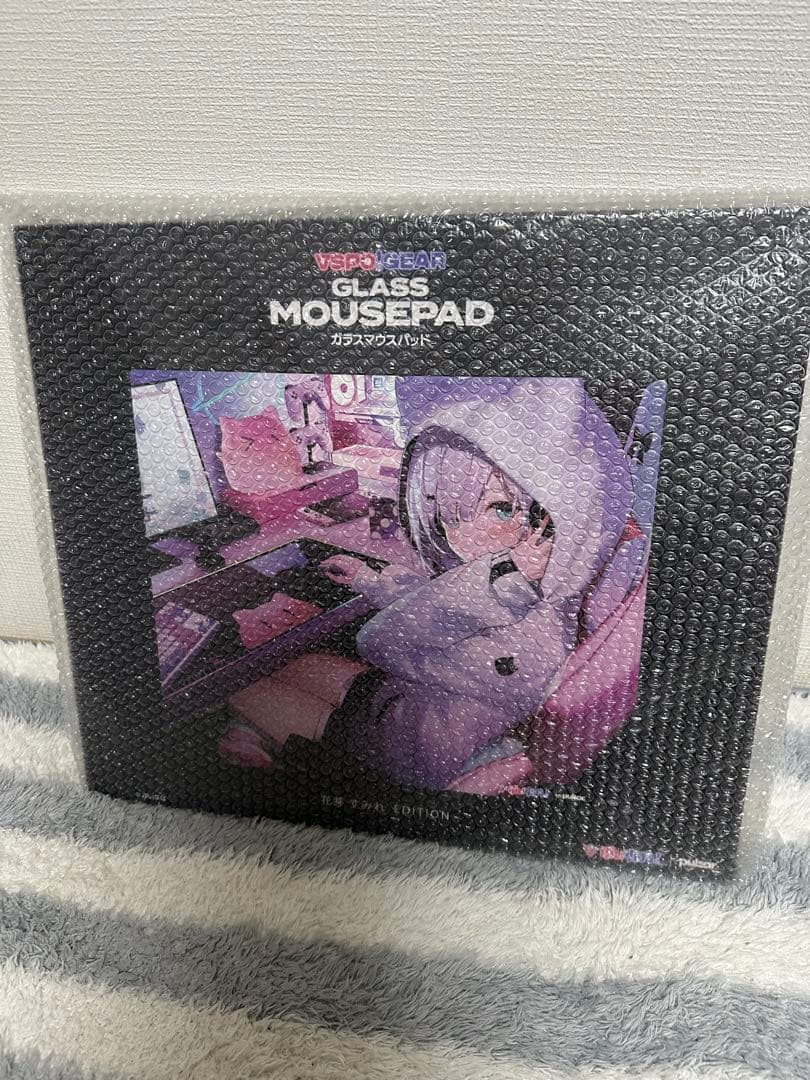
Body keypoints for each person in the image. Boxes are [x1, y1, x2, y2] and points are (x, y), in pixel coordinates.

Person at [319, 377, 636, 791]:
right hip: (400, 708)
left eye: (501, 509)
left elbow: (381, 640)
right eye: (438, 505)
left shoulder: (530, 635)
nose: (448, 526)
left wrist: (498, 578)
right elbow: (449, 616)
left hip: (407, 747)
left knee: (271, 684)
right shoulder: (509, 589)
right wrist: (372, 581)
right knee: (309, 670)